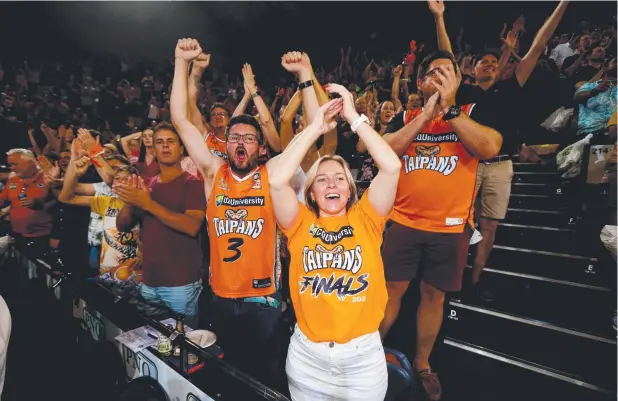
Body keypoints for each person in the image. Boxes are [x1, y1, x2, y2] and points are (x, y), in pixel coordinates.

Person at [170, 39, 304, 389]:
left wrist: (306, 79)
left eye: (249, 138)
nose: (240, 143)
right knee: (226, 377)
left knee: (266, 378)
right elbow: (181, 119)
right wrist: (180, 63)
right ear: (224, 143)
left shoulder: (271, 175)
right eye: (234, 137)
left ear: (261, 148)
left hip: (263, 301)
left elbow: (309, 134)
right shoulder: (214, 175)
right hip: (221, 298)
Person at [379, 51, 503, 401]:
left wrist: (449, 111)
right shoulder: (406, 116)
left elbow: (490, 147)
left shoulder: (470, 114)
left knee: (434, 299)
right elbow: (383, 151)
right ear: (421, 83)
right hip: (403, 222)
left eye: (450, 72)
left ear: (458, 81)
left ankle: (422, 363)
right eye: (435, 72)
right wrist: (424, 118)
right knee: (390, 293)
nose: (444, 77)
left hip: (450, 228)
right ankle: (367, 352)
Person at [269, 82, 401, 400]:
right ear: (311, 192)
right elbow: (276, 180)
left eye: (340, 177)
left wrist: (354, 117)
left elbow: (392, 166)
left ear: (350, 189)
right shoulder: (300, 222)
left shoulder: (367, 218)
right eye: (322, 179)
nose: (331, 183)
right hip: (306, 359)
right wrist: (315, 128)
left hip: (362, 361)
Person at [115, 122, 206, 328]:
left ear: (181, 148)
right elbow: (123, 225)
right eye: (159, 142)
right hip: (150, 281)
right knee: (154, 343)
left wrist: (148, 203)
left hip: (180, 284)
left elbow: (191, 226)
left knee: (183, 349)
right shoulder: (145, 184)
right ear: (153, 149)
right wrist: (130, 202)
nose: (165, 147)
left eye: (170, 141)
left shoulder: (193, 184)